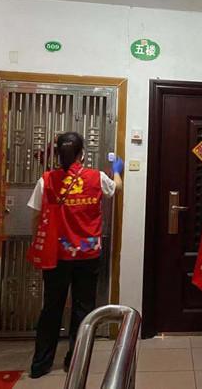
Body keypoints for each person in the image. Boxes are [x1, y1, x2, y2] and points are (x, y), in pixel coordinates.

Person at [27, 132, 124, 379]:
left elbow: (36, 216)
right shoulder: (96, 177)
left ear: (59, 154)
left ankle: (40, 364)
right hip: (87, 254)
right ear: (82, 153)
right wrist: (117, 169)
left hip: (56, 255)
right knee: (83, 309)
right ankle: (75, 360)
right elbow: (117, 188)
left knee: (51, 307)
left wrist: (40, 242)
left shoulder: (47, 179)